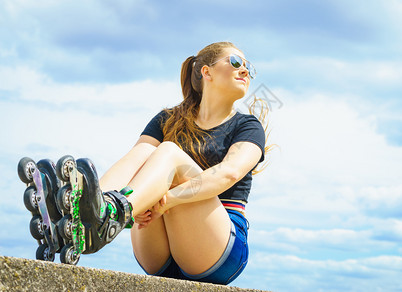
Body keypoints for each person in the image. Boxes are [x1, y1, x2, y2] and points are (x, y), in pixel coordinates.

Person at [83, 41, 268, 285]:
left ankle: (117, 210)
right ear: (207, 72)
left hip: (219, 250)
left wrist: (165, 199)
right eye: (235, 62)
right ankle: (90, 211)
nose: (245, 71)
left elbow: (229, 173)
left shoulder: (247, 126)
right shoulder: (167, 119)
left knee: (168, 151)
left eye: (248, 67)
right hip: (158, 251)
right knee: (145, 153)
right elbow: (134, 162)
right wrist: (139, 197)